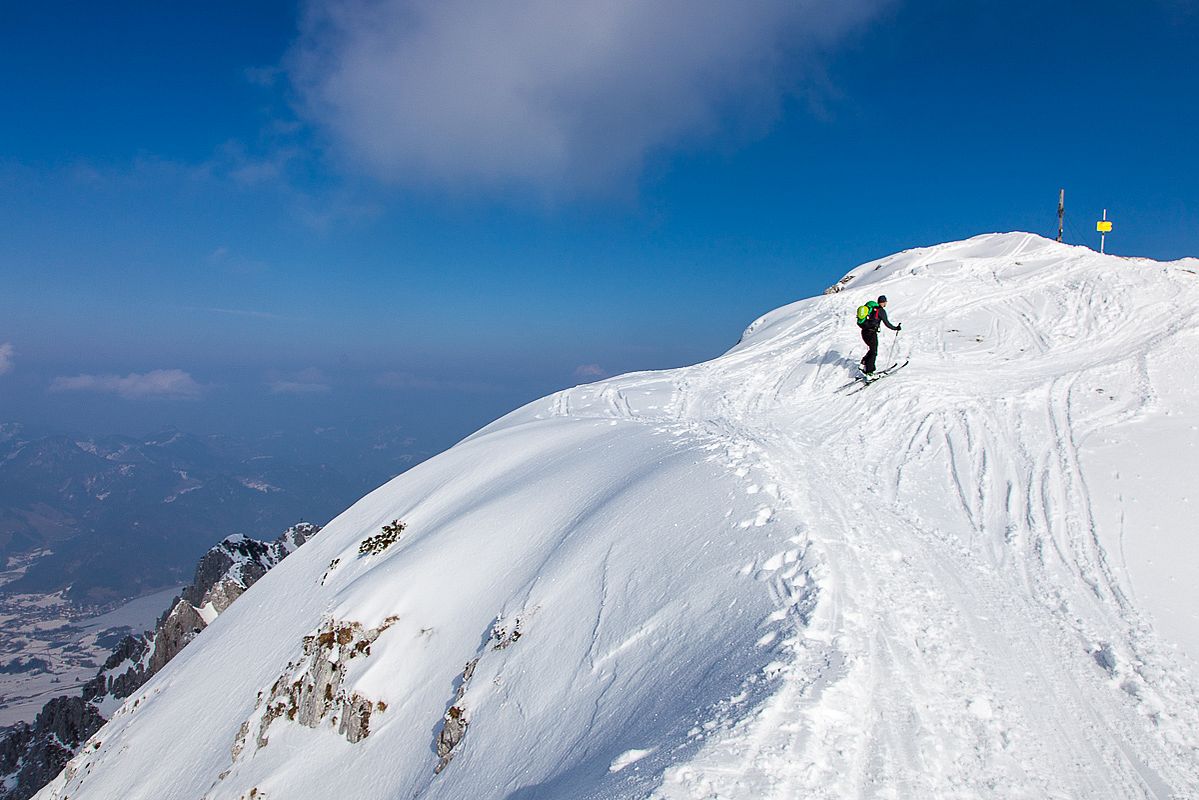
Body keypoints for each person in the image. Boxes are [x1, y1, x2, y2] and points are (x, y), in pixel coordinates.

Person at [857, 295, 901, 376]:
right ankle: (869, 373)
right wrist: (896, 328)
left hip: (864, 332)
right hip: (871, 333)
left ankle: (863, 363)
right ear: (884, 302)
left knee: (872, 350)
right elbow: (887, 323)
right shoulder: (881, 311)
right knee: (874, 352)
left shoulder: (872, 309)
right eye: (885, 302)